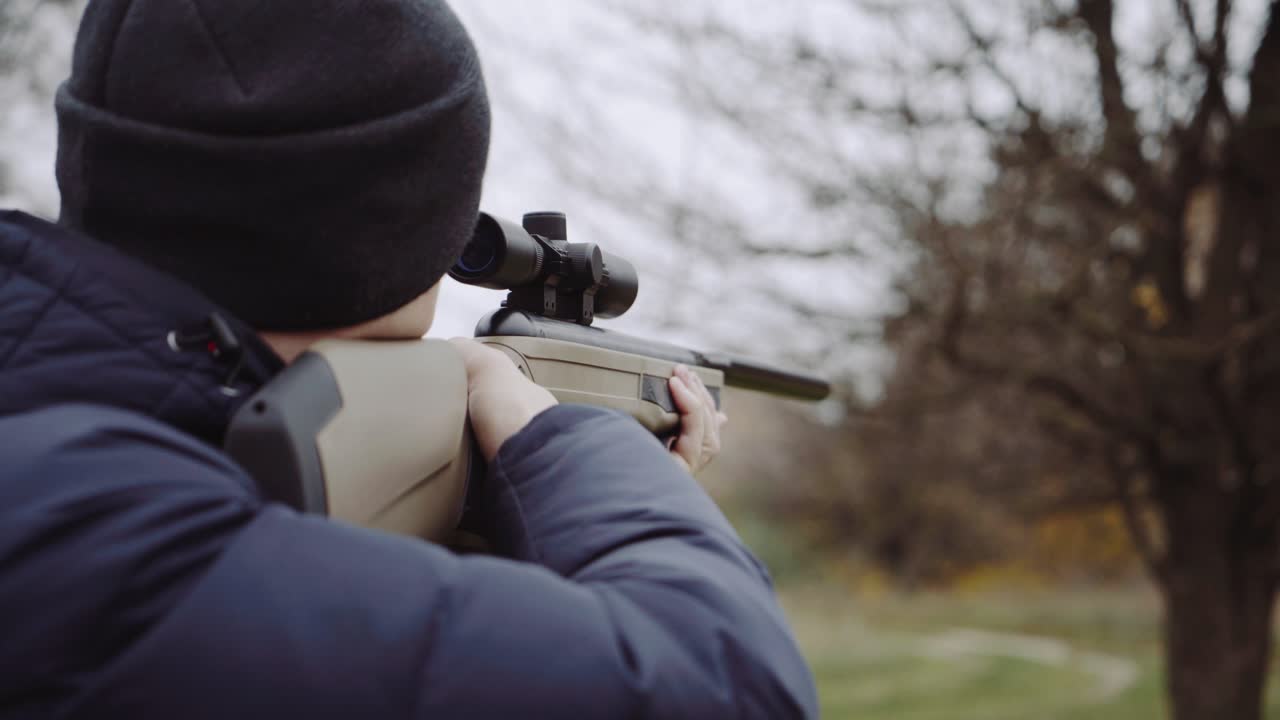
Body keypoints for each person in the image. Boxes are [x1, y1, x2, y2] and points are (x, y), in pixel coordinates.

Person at [0, 0, 819, 718]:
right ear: (385, 244)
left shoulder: (79, 469)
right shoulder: (104, 547)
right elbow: (730, 686)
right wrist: (569, 449)